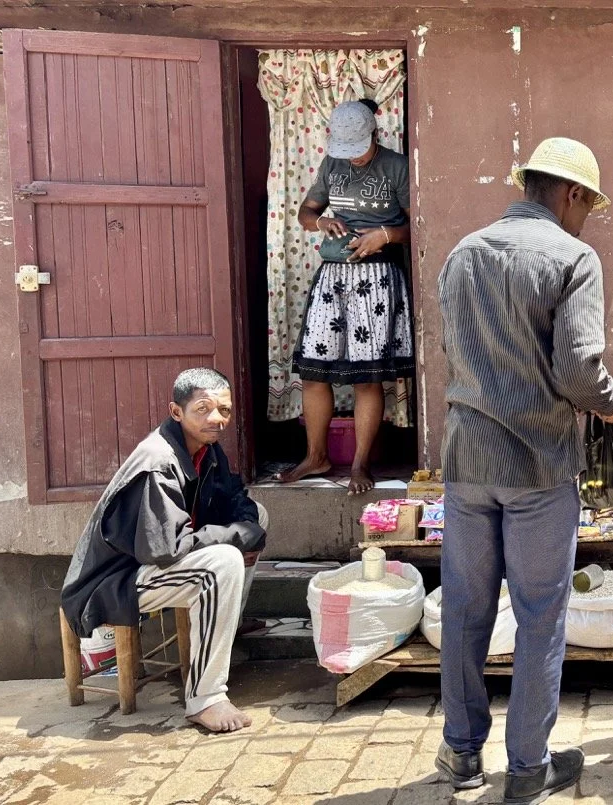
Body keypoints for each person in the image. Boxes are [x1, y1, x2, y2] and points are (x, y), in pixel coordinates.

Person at [435, 137, 613, 804]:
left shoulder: (462, 253)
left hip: (466, 460)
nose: (586, 218)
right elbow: (578, 369)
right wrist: (608, 400)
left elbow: (453, 353)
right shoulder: (574, 257)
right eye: (587, 205)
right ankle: (526, 767)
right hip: (538, 463)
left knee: (464, 608)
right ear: (570, 194)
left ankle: (461, 754)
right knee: (541, 615)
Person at [61, 368, 267, 733]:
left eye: (224, 410)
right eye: (203, 409)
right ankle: (206, 698)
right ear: (177, 413)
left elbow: (236, 497)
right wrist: (235, 537)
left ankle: (225, 620)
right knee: (222, 562)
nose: (216, 419)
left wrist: (246, 529)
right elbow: (165, 549)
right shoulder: (159, 461)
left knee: (256, 520)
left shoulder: (207, 447)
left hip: (153, 564)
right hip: (114, 583)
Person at [277, 98, 414, 494]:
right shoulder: (331, 165)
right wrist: (321, 220)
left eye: (359, 150)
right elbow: (306, 213)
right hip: (332, 276)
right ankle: (316, 456)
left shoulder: (397, 167)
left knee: (366, 376)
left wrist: (385, 235)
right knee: (314, 371)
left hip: (377, 278)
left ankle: (359, 464)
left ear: (374, 134)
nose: (352, 160)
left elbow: (417, 223)